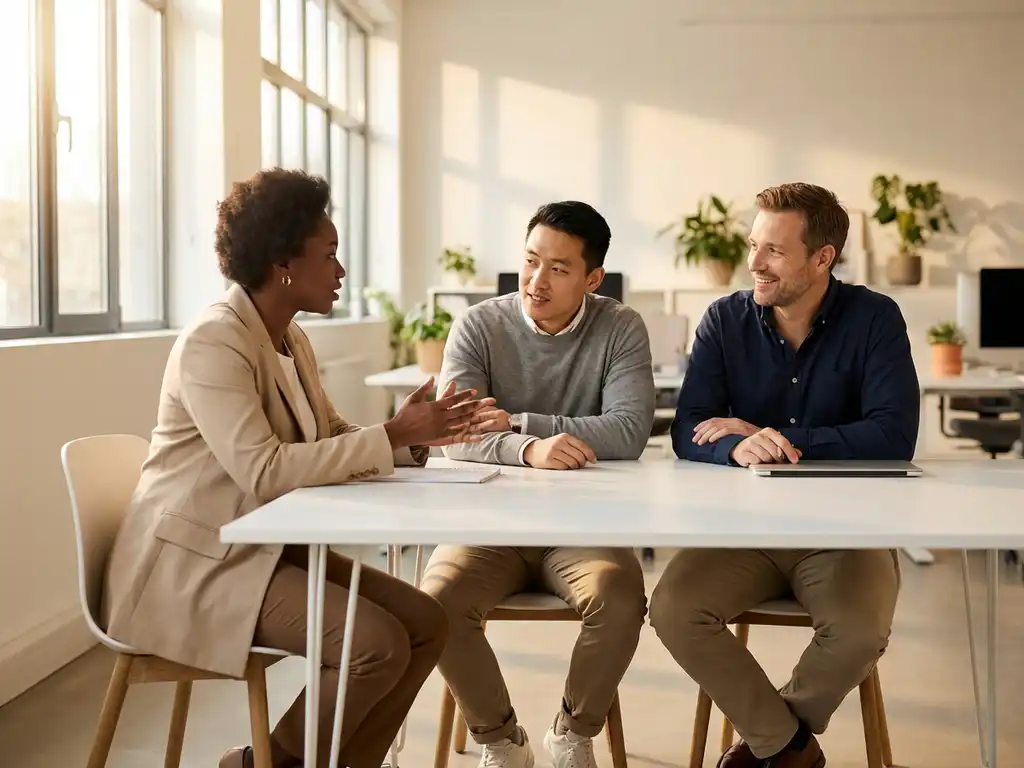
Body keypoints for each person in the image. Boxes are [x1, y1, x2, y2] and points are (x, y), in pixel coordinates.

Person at [101, 168, 497, 768]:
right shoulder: (215, 341)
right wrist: (391, 434)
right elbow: (263, 470)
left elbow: (330, 435)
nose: (341, 271)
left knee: (425, 621)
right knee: (377, 645)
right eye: (330, 254)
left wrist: (411, 436)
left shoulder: (289, 339)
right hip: (195, 566)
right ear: (284, 261)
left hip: (262, 550)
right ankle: (263, 764)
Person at [649, 183, 920, 768]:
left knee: (859, 632)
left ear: (822, 258)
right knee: (673, 608)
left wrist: (778, 440)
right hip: (743, 531)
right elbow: (687, 428)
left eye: (773, 250)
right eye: (753, 245)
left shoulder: (875, 318)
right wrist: (739, 450)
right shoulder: (724, 320)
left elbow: (893, 437)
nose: (754, 263)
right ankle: (792, 750)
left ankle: (765, 745)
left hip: (845, 532)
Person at [421, 201, 655, 768]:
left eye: (558, 268)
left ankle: (572, 734)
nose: (536, 281)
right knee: (437, 603)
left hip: (582, 527)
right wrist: (530, 451)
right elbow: (454, 433)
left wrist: (524, 423)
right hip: (488, 523)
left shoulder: (619, 326)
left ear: (592, 278)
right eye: (530, 261)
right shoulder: (479, 325)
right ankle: (500, 742)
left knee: (620, 600)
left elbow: (628, 430)